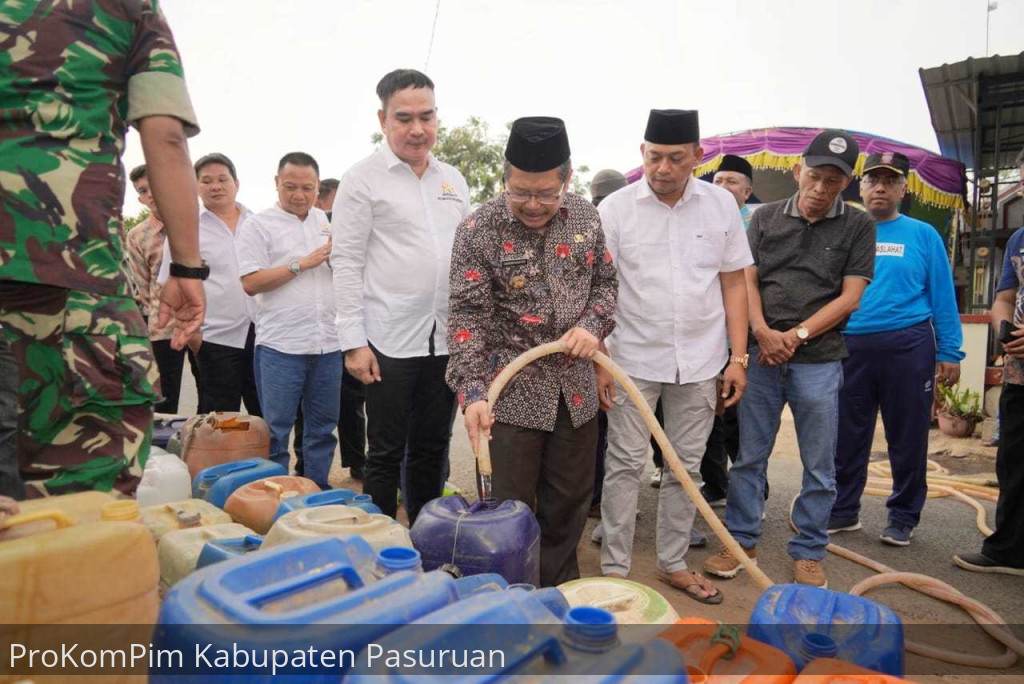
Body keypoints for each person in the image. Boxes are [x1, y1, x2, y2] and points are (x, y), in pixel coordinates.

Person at [0, 0, 205, 497]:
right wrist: (188, 268)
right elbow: (166, 135)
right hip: (72, 284)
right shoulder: (127, 6)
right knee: (80, 509)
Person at [447, 116, 618, 587]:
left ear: (566, 178)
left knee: (569, 507)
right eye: (520, 191)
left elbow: (606, 285)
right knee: (508, 514)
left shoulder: (586, 217)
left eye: (545, 192)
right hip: (511, 396)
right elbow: (466, 319)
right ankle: (510, 601)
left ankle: (558, 596)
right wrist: (474, 394)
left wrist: (590, 325)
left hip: (576, 393)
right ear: (505, 177)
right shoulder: (478, 229)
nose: (533, 204)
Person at [704, 130, 876, 588]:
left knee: (819, 463)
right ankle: (740, 540)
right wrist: (761, 332)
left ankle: (809, 550)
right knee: (749, 457)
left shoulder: (859, 226)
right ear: (799, 171)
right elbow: (747, 281)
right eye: (815, 176)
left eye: (833, 181)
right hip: (762, 356)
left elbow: (850, 298)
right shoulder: (763, 220)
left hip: (819, 359)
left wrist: (796, 336)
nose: (820, 189)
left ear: (847, 183)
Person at [598, 109, 751, 604]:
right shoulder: (617, 208)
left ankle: (672, 562)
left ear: (697, 157)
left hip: (702, 359)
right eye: (653, 156)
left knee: (686, 467)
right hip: (632, 357)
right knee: (623, 463)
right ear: (642, 153)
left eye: (675, 158)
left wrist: (738, 357)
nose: (662, 168)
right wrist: (598, 356)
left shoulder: (721, 205)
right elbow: (598, 288)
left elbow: (733, 282)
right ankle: (615, 570)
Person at [332, 69, 470, 523]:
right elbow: (347, 261)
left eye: (426, 116)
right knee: (386, 451)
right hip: (387, 339)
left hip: (446, 339)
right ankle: (383, 544)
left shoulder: (453, 180)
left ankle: (427, 536)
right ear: (383, 119)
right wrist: (353, 341)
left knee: (432, 448)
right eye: (404, 117)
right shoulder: (362, 179)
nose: (417, 129)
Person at [829, 152, 964, 546]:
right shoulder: (845, 231)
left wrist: (950, 351)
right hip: (850, 343)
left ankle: (903, 516)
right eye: (873, 181)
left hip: (908, 344)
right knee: (847, 433)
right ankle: (843, 510)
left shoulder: (923, 235)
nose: (881, 188)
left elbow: (942, 294)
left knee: (907, 434)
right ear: (861, 186)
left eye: (890, 181)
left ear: (904, 188)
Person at [237, 153, 340, 489]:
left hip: (328, 343)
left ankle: (315, 488)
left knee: (323, 427)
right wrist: (301, 264)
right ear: (276, 183)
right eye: (291, 186)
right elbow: (250, 282)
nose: (299, 195)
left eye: (307, 188)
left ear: (318, 188)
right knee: (276, 429)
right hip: (281, 345)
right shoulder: (257, 225)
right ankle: (275, 495)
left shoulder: (326, 223)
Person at [953, 148, 1024, 577]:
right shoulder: (1019, 239)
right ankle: (1009, 550)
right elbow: (1004, 298)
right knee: (1014, 462)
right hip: (1019, 373)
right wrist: (1003, 328)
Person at [160, 153, 261, 416]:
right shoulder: (185, 228)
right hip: (215, 337)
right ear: (196, 186)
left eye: (222, 179)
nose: (216, 186)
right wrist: (195, 338)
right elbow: (169, 284)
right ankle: (216, 460)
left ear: (236, 183)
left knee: (265, 415)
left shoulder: (258, 223)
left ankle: (266, 459)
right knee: (218, 418)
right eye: (206, 181)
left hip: (262, 334)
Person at [701, 153, 762, 507]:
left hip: (742, 340)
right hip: (706, 342)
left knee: (742, 423)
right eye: (719, 180)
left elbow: (749, 285)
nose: (724, 187)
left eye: (732, 182)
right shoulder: (702, 220)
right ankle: (717, 485)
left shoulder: (756, 223)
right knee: (708, 419)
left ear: (748, 190)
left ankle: (752, 494)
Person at [295, 177, 365, 480]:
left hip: (344, 326)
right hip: (311, 330)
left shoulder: (337, 225)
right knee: (313, 406)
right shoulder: (302, 226)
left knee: (350, 402)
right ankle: (309, 468)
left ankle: (356, 460)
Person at [127, 165, 200, 414]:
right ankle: (163, 451)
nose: (151, 194)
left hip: (206, 324)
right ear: (140, 197)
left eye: (154, 185)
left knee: (212, 396)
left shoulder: (198, 224)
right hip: (163, 327)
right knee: (164, 402)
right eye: (143, 190)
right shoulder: (137, 236)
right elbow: (144, 285)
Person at [587, 169, 629, 520]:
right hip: (595, 345)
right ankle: (596, 497)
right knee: (599, 430)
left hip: (619, 345)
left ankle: (600, 497)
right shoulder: (586, 227)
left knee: (608, 432)